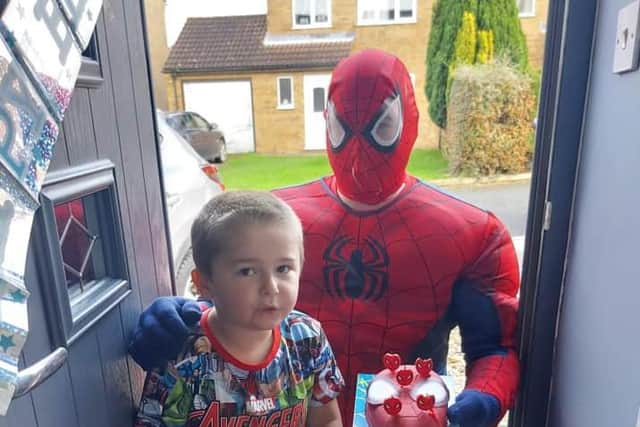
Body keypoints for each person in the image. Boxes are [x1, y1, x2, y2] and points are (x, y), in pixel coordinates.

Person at [129, 49, 520, 427]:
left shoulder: (471, 233)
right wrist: (184, 316)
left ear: (409, 121)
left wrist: (481, 400)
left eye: (381, 127)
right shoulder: (275, 223)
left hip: (403, 415)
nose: (359, 148)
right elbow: (227, 295)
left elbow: (494, 348)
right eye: (342, 128)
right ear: (326, 121)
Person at [134, 191, 344, 427]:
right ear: (203, 283)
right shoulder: (180, 356)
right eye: (248, 271)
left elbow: (327, 419)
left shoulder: (308, 338)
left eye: (283, 268)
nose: (270, 287)